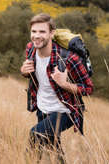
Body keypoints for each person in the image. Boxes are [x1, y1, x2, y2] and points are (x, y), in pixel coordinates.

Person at [20, 13, 93, 163]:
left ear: (52, 34)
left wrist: (64, 84)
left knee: (36, 134)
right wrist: (24, 72)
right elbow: (31, 73)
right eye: (34, 32)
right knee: (53, 149)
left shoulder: (68, 59)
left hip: (65, 111)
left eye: (42, 32)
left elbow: (88, 88)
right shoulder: (31, 49)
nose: (36, 36)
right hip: (42, 107)